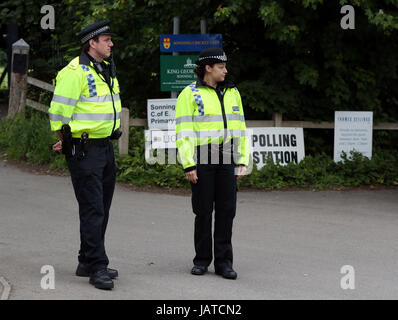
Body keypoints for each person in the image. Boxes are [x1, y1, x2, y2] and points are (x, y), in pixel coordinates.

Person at [49, 20, 122, 290]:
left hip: (105, 147)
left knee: (101, 207)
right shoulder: (74, 71)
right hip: (85, 149)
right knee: (93, 208)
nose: (111, 43)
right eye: (106, 40)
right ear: (92, 43)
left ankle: (86, 260)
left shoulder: (105, 69)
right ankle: (97, 266)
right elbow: (58, 115)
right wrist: (66, 142)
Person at [175, 47, 249, 280]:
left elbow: (241, 128)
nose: (225, 71)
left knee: (227, 211)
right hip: (202, 157)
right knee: (204, 211)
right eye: (221, 67)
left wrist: (242, 160)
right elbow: (183, 131)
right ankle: (202, 260)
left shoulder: (233, 92)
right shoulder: (189, 93)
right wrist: (189, 164)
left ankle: (224, 263)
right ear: (208, 68)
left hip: (228, 156)